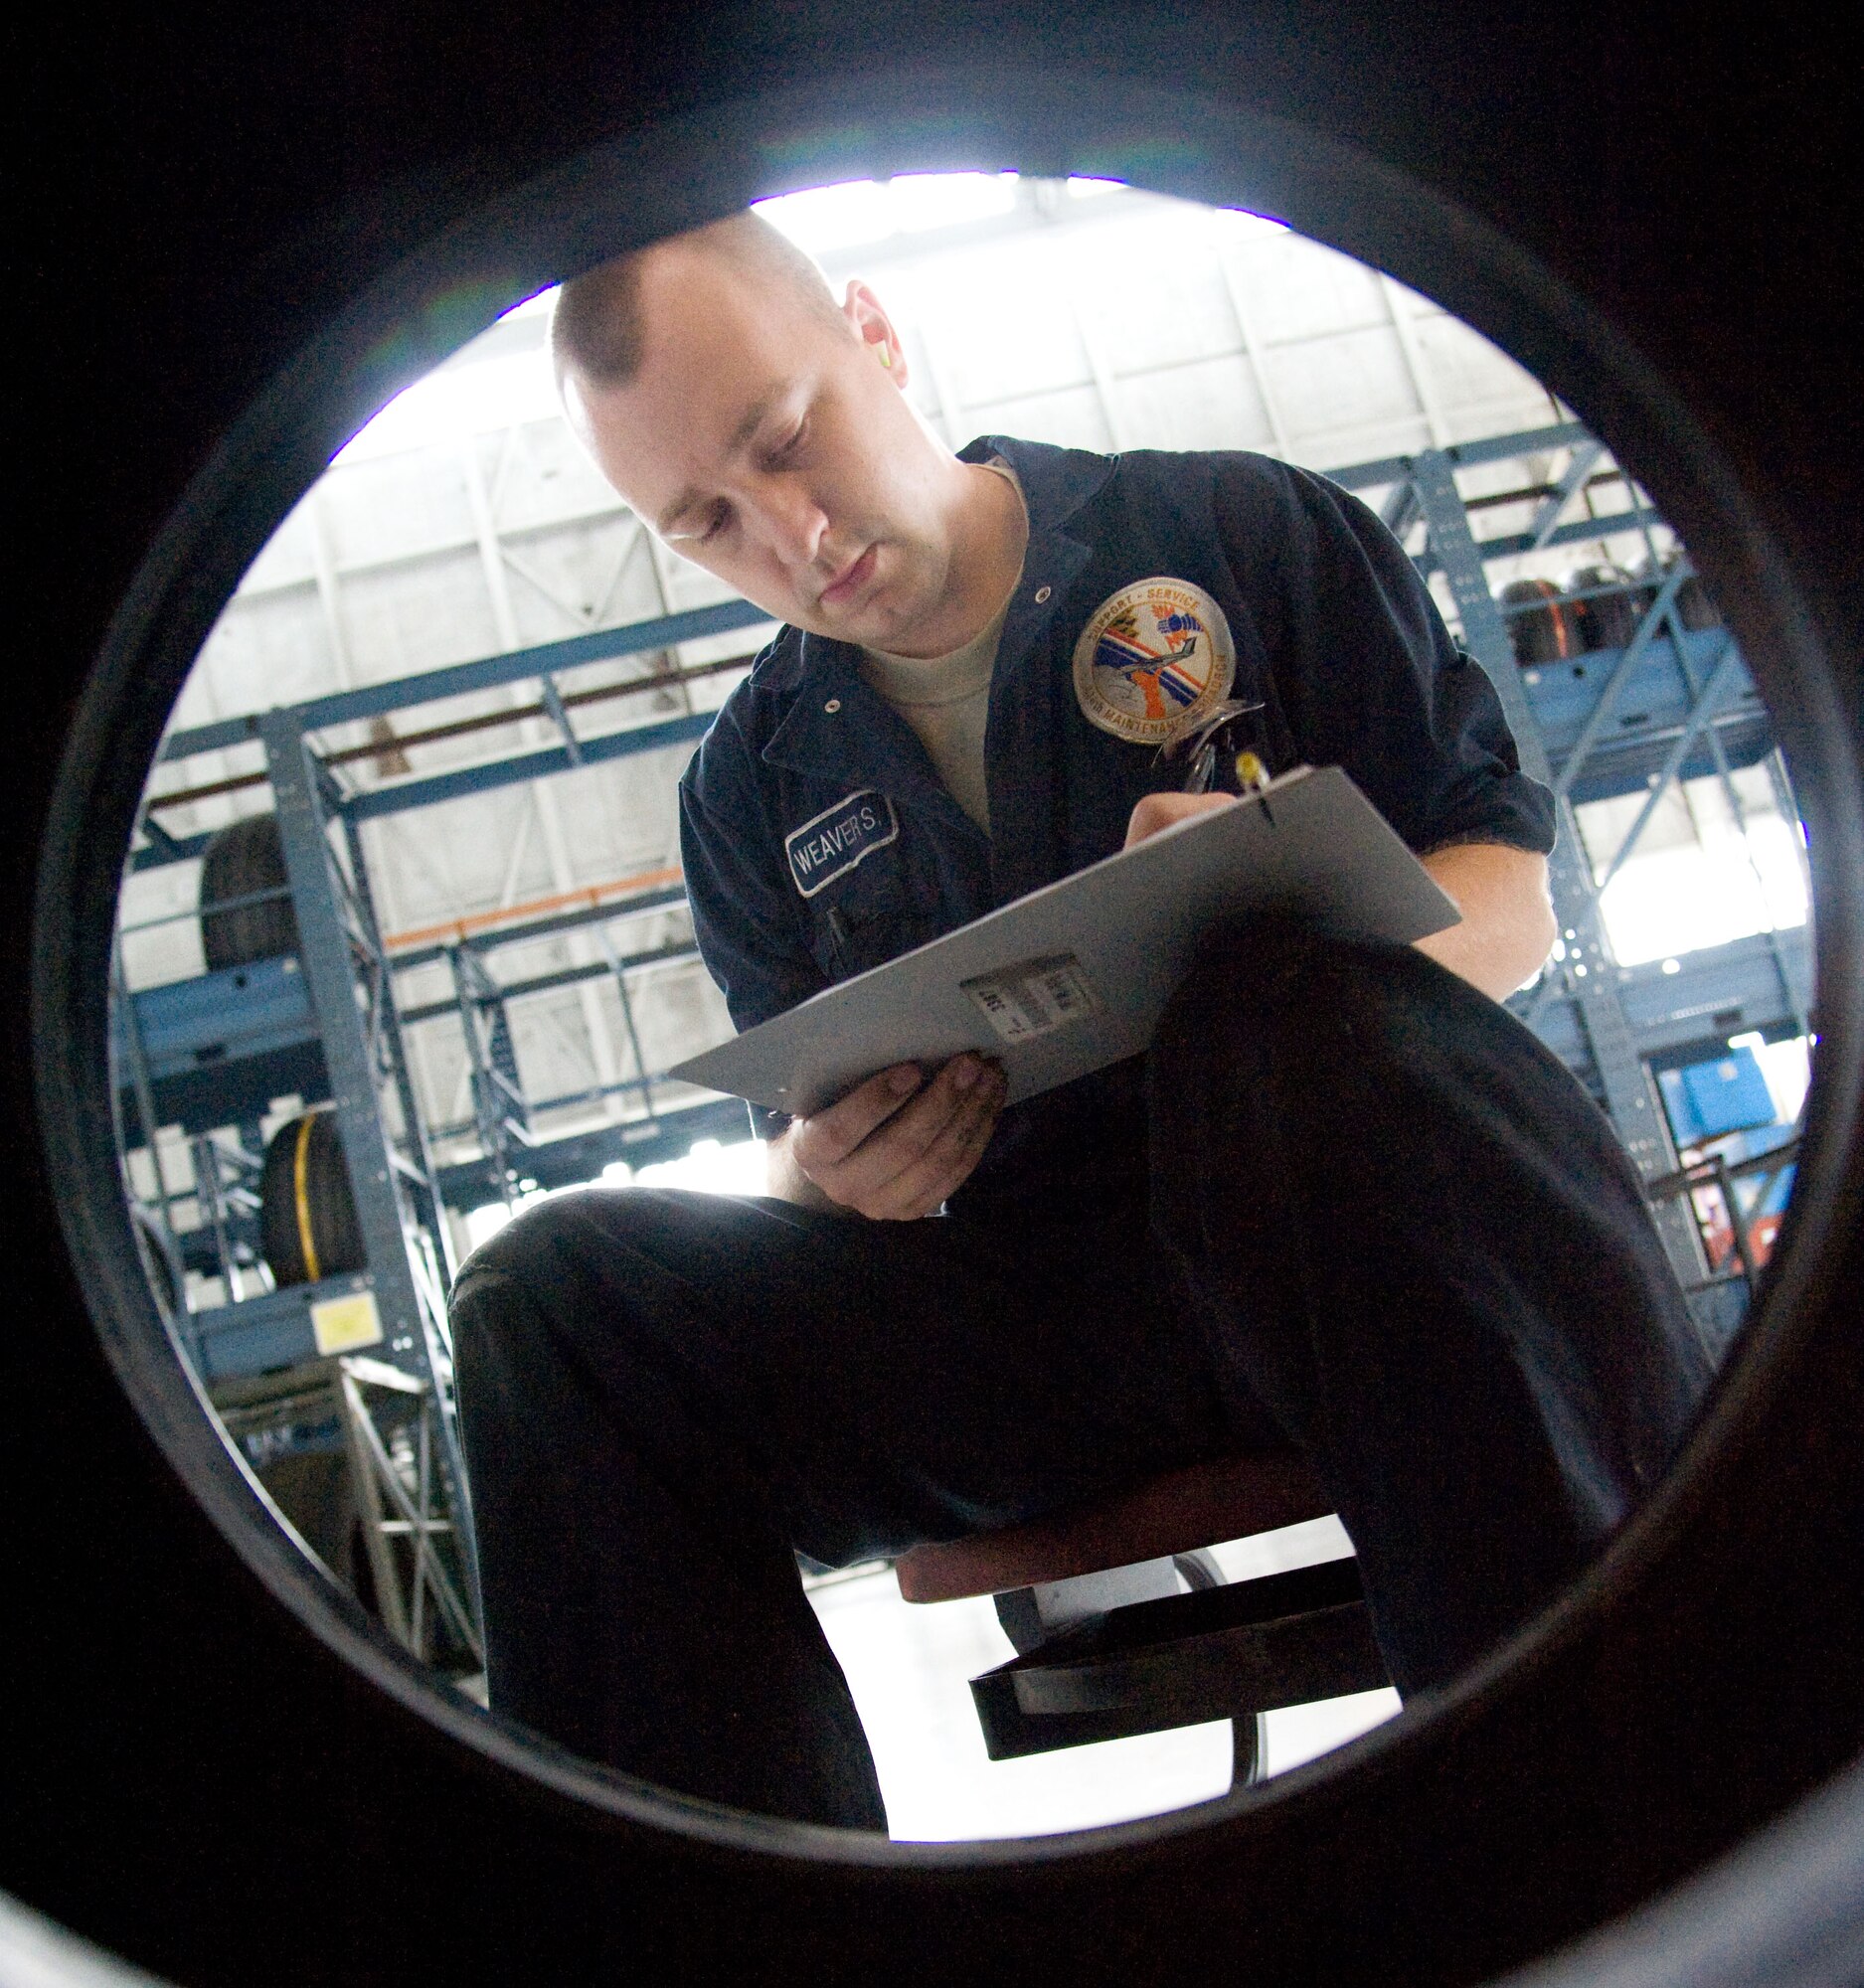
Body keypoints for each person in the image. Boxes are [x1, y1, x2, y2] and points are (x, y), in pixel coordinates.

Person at [449, 211, 1708, 1831]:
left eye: (785, 437)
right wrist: (839, 1182)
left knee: (1278, 1010)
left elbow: (1511, 904)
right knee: (548, 1303)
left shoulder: (1239, 533)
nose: (789, 528)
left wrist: (1298, 941)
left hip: (1367, 1236)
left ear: (875, 336)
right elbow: (800, 1158)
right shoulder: (750, 793)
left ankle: (1603, 1818)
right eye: (705, 521)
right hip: (1044, 1330)